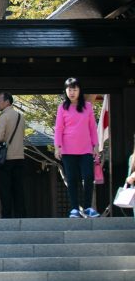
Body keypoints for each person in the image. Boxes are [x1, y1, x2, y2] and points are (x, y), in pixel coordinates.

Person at [54, 77, 100, 218]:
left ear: (80, 90)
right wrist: (57, 147)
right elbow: (59, 128)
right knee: (72, 178)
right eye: (69, 89)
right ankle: (74, 208)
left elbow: (92, 128)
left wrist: (96, 146)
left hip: (86, 148)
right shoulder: (62, 107)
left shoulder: (88, 106)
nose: (72, 92)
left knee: (88, 176)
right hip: (68, 150)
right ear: (65, 91)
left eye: (75, 89)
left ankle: (87, 207)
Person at [0, 92, 26, 218]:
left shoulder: (4, 116)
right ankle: (21, 215)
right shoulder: (20, 116)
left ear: (7, 102)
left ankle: (6, 216)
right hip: (20, 156)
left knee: (5, 190)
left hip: (6, 158)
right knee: (18, 189)